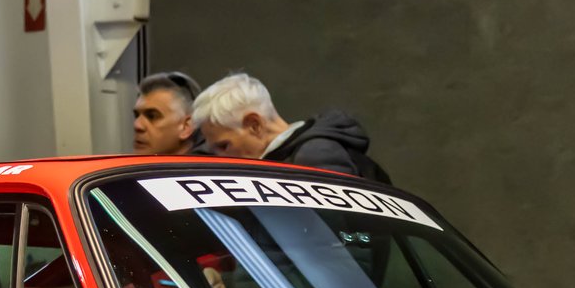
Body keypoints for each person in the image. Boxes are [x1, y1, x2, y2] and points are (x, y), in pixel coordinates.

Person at [189, 73, 386, 181]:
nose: (220, 159)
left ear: (254, 125)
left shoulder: (313, 156)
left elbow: (345, 239)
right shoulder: (295, 157)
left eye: (224, 146)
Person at [131, 71, 208, 156]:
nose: (137, 125)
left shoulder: (212, 168)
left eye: (152, 116)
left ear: (186, 126)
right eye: (137, 115)